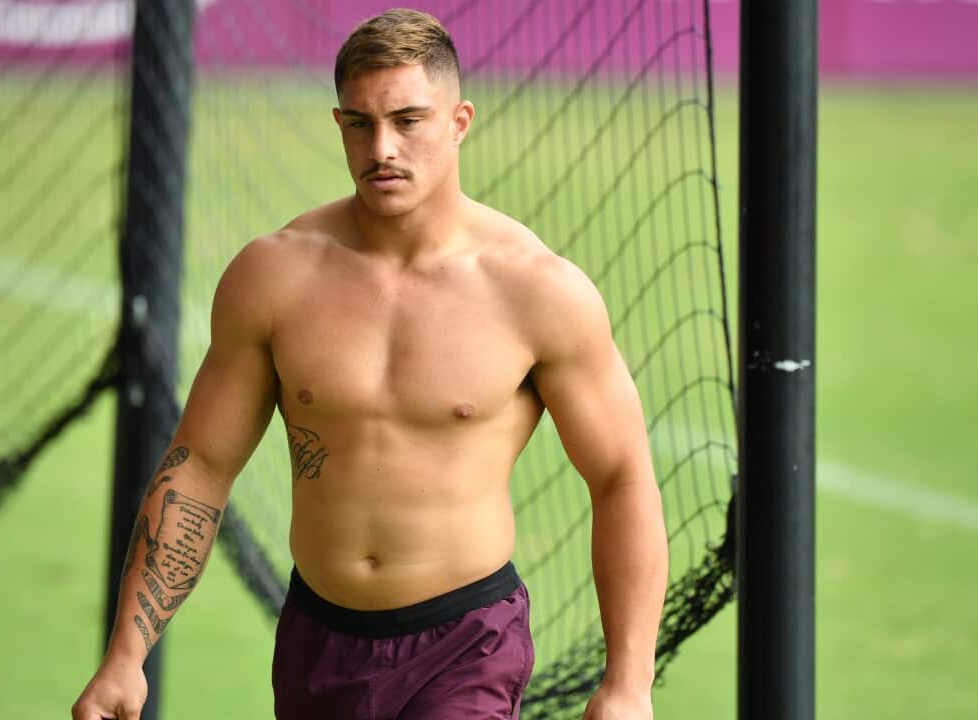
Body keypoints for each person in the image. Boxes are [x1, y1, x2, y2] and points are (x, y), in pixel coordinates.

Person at [72, 8, 667, 720]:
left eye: (409, 120)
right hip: (318, 637)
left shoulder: (537, 291)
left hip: (466, 645)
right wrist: (126, 657)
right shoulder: (275, 276)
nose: (382, 147)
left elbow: (621, 475)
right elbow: (199, 467)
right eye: (359, 123)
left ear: (459, 121)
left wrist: (630, 683)